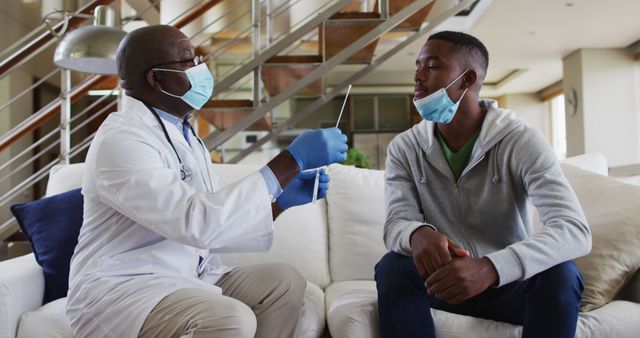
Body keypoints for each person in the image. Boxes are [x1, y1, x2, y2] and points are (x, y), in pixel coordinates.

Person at [66, 25, 348, 338]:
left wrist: (278, 204)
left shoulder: (181, 133)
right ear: (155, 78)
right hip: (123, 288)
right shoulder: (122, 139)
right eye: (188, 62)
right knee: (230, 318)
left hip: (185, 275)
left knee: (285, 283)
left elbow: (211, 231)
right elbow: (194, 222)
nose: (201, 70)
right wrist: (289, 162)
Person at [374, 31, 591, 338]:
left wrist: (491, 268)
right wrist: (417, 233)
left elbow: (574, 229)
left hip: (509, 285)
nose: (418, 77)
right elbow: (396, 221)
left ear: (467, 79)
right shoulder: (404, 147)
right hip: (444, 284)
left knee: (562, 273)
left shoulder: (520, 141)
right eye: (418, 66)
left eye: (432, 67)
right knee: (393, 267)